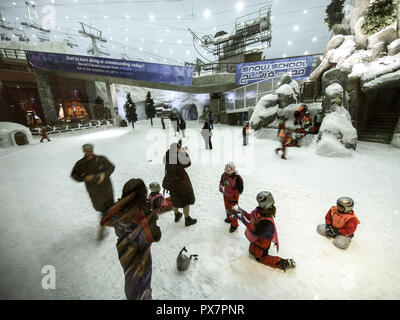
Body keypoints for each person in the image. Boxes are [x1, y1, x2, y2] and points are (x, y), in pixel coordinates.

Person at [101, 178, 161, 300]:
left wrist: (123, 203)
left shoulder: (117, 210)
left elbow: (105, 221)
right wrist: (153, 218)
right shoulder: (143, 213)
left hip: (123, 251)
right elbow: (155, 237)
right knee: (143, 284)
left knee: (130, 280)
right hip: (141, 254)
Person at [233, 191, 296, 272]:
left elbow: (254, 231)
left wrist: (241, 218)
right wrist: (241, 210)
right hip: (256, 241)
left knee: (260, 258)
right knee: (251, 251)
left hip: (262, 244)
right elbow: (250, 217)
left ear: (265, 204)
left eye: (260, 203)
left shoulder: (267, 222)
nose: (259, 205)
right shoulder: (258, 211)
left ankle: (283, 263)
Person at [71, 143, 115, 240]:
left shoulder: (101, 159)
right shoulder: (80, 163)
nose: (89, 152)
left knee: (109, 203)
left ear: (93, 150)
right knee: (99, 206)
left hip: (106, 186)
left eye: (90, 150)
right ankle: (107, 218)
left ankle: (104, 224)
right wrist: (84, 177)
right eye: (87, 150)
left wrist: (104, 174)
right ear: (84, 151)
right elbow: (74, 175)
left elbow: (111, 167)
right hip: (93, 189)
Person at [162, 141, 197, 226]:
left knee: (174, 200)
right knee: (186, 200)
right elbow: (188, 163)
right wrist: (184, 153)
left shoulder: (168, 155)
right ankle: (187, 219)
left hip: (171, 182)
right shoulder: (178, 157)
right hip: (181, 183)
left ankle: (176, 215)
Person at [219, 162, 243, 233]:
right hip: (225, 196)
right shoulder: (223, 175)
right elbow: (221, 182)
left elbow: (240, 189)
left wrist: (233, 192)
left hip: (233, 198)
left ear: (233, 171)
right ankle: (229, 218)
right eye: (226, 171)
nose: (227, 173)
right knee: (227, 208)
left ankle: (234, 225)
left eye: (229, 172)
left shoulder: (238, 178)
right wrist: (221, 187)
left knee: (233, 211)